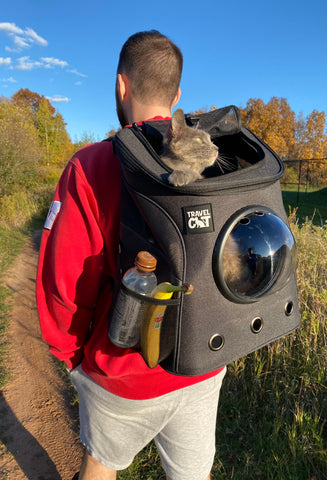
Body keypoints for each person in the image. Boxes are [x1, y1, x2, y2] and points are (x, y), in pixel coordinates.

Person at [36, 30, 226, 480]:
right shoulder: (215, 166)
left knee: (100, 469)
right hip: (203, 362)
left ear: (122, 85)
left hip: (120, 374)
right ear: (177, 94)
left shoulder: (92, 165)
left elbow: (64, 283)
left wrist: (72, 356)